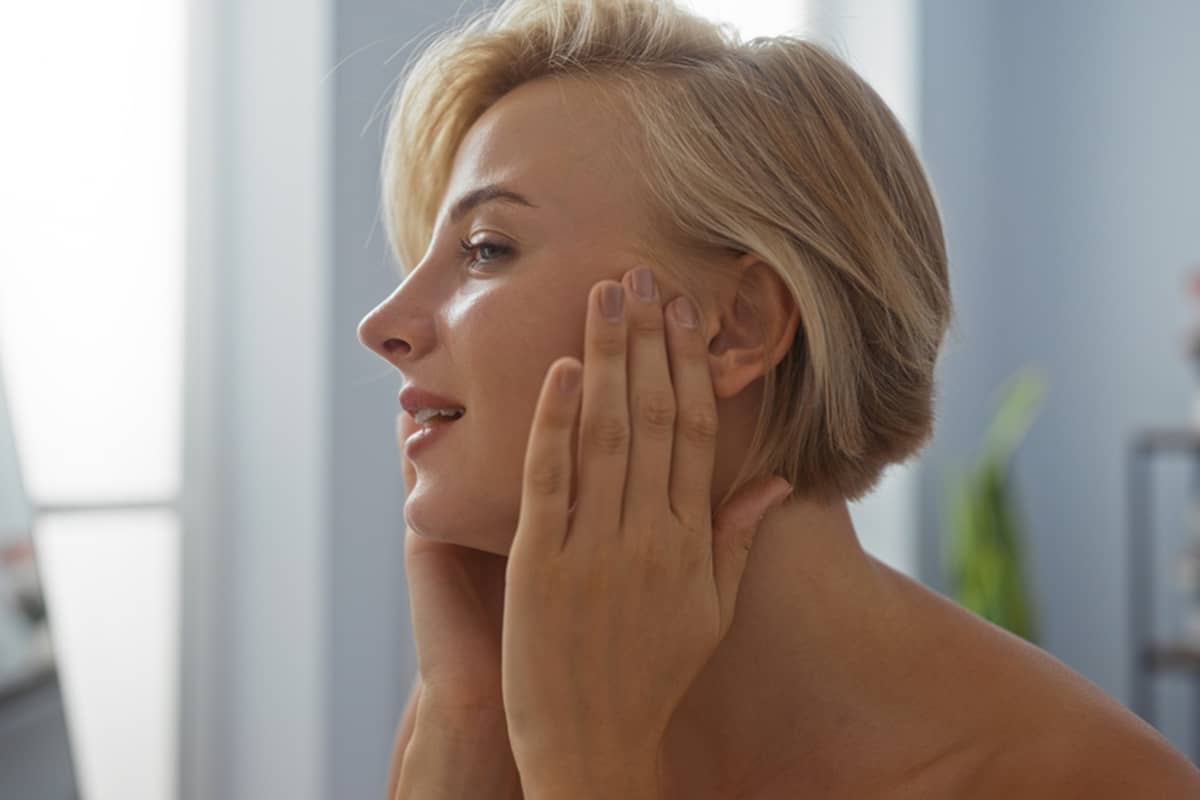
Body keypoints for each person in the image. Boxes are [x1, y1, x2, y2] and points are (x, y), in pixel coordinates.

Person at [356, 0, 1200, 796]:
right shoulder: (471, 717)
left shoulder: (1085, 782)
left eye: (486, 248)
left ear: (739, 327)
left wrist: (587, 771)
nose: (382, 324)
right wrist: (464, 728)